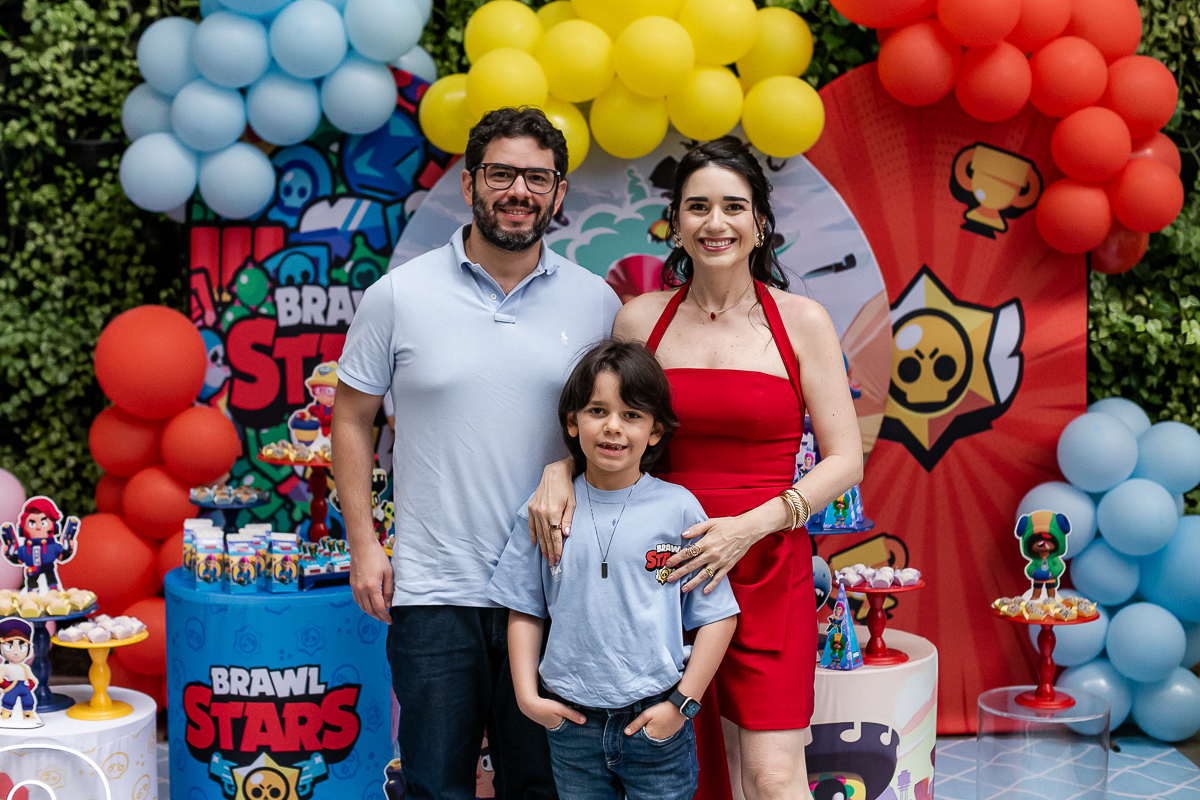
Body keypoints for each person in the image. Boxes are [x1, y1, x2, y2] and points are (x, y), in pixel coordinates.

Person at [528, 138, 863, 800]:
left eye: (733, 207)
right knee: (682, 770)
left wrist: (751, 527)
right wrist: (557, 472)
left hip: (769, 566)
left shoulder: (803, 323)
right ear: (675, 221)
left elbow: (846, 459)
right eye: (698, 206)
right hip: (660, 570)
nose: (716, 223)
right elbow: (607, 427)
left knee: (770, 774)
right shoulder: (640, 319)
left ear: (760, 222)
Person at [333, 107, 622, 800]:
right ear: (469, 185)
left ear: (557, 194)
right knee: (435, 785)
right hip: (434, 590)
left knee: (545, 785)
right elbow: (351, 419)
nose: (517, 190)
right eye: (501, 173)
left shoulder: (597, 304)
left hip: (557, 589)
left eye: (536, 177)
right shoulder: (398, 295)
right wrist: (364, 545)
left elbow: (618, 436)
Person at [487, 339, 739, 800]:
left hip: (656, 720)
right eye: (597, 410)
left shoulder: (677, 509)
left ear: (656, 431)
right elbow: (525, 609)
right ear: (572, 421)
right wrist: (528, 697)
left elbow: (717, 614)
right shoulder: (545, 510)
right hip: (571, 724)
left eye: (632, 415)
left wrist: (681, 706)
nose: (613, 427)